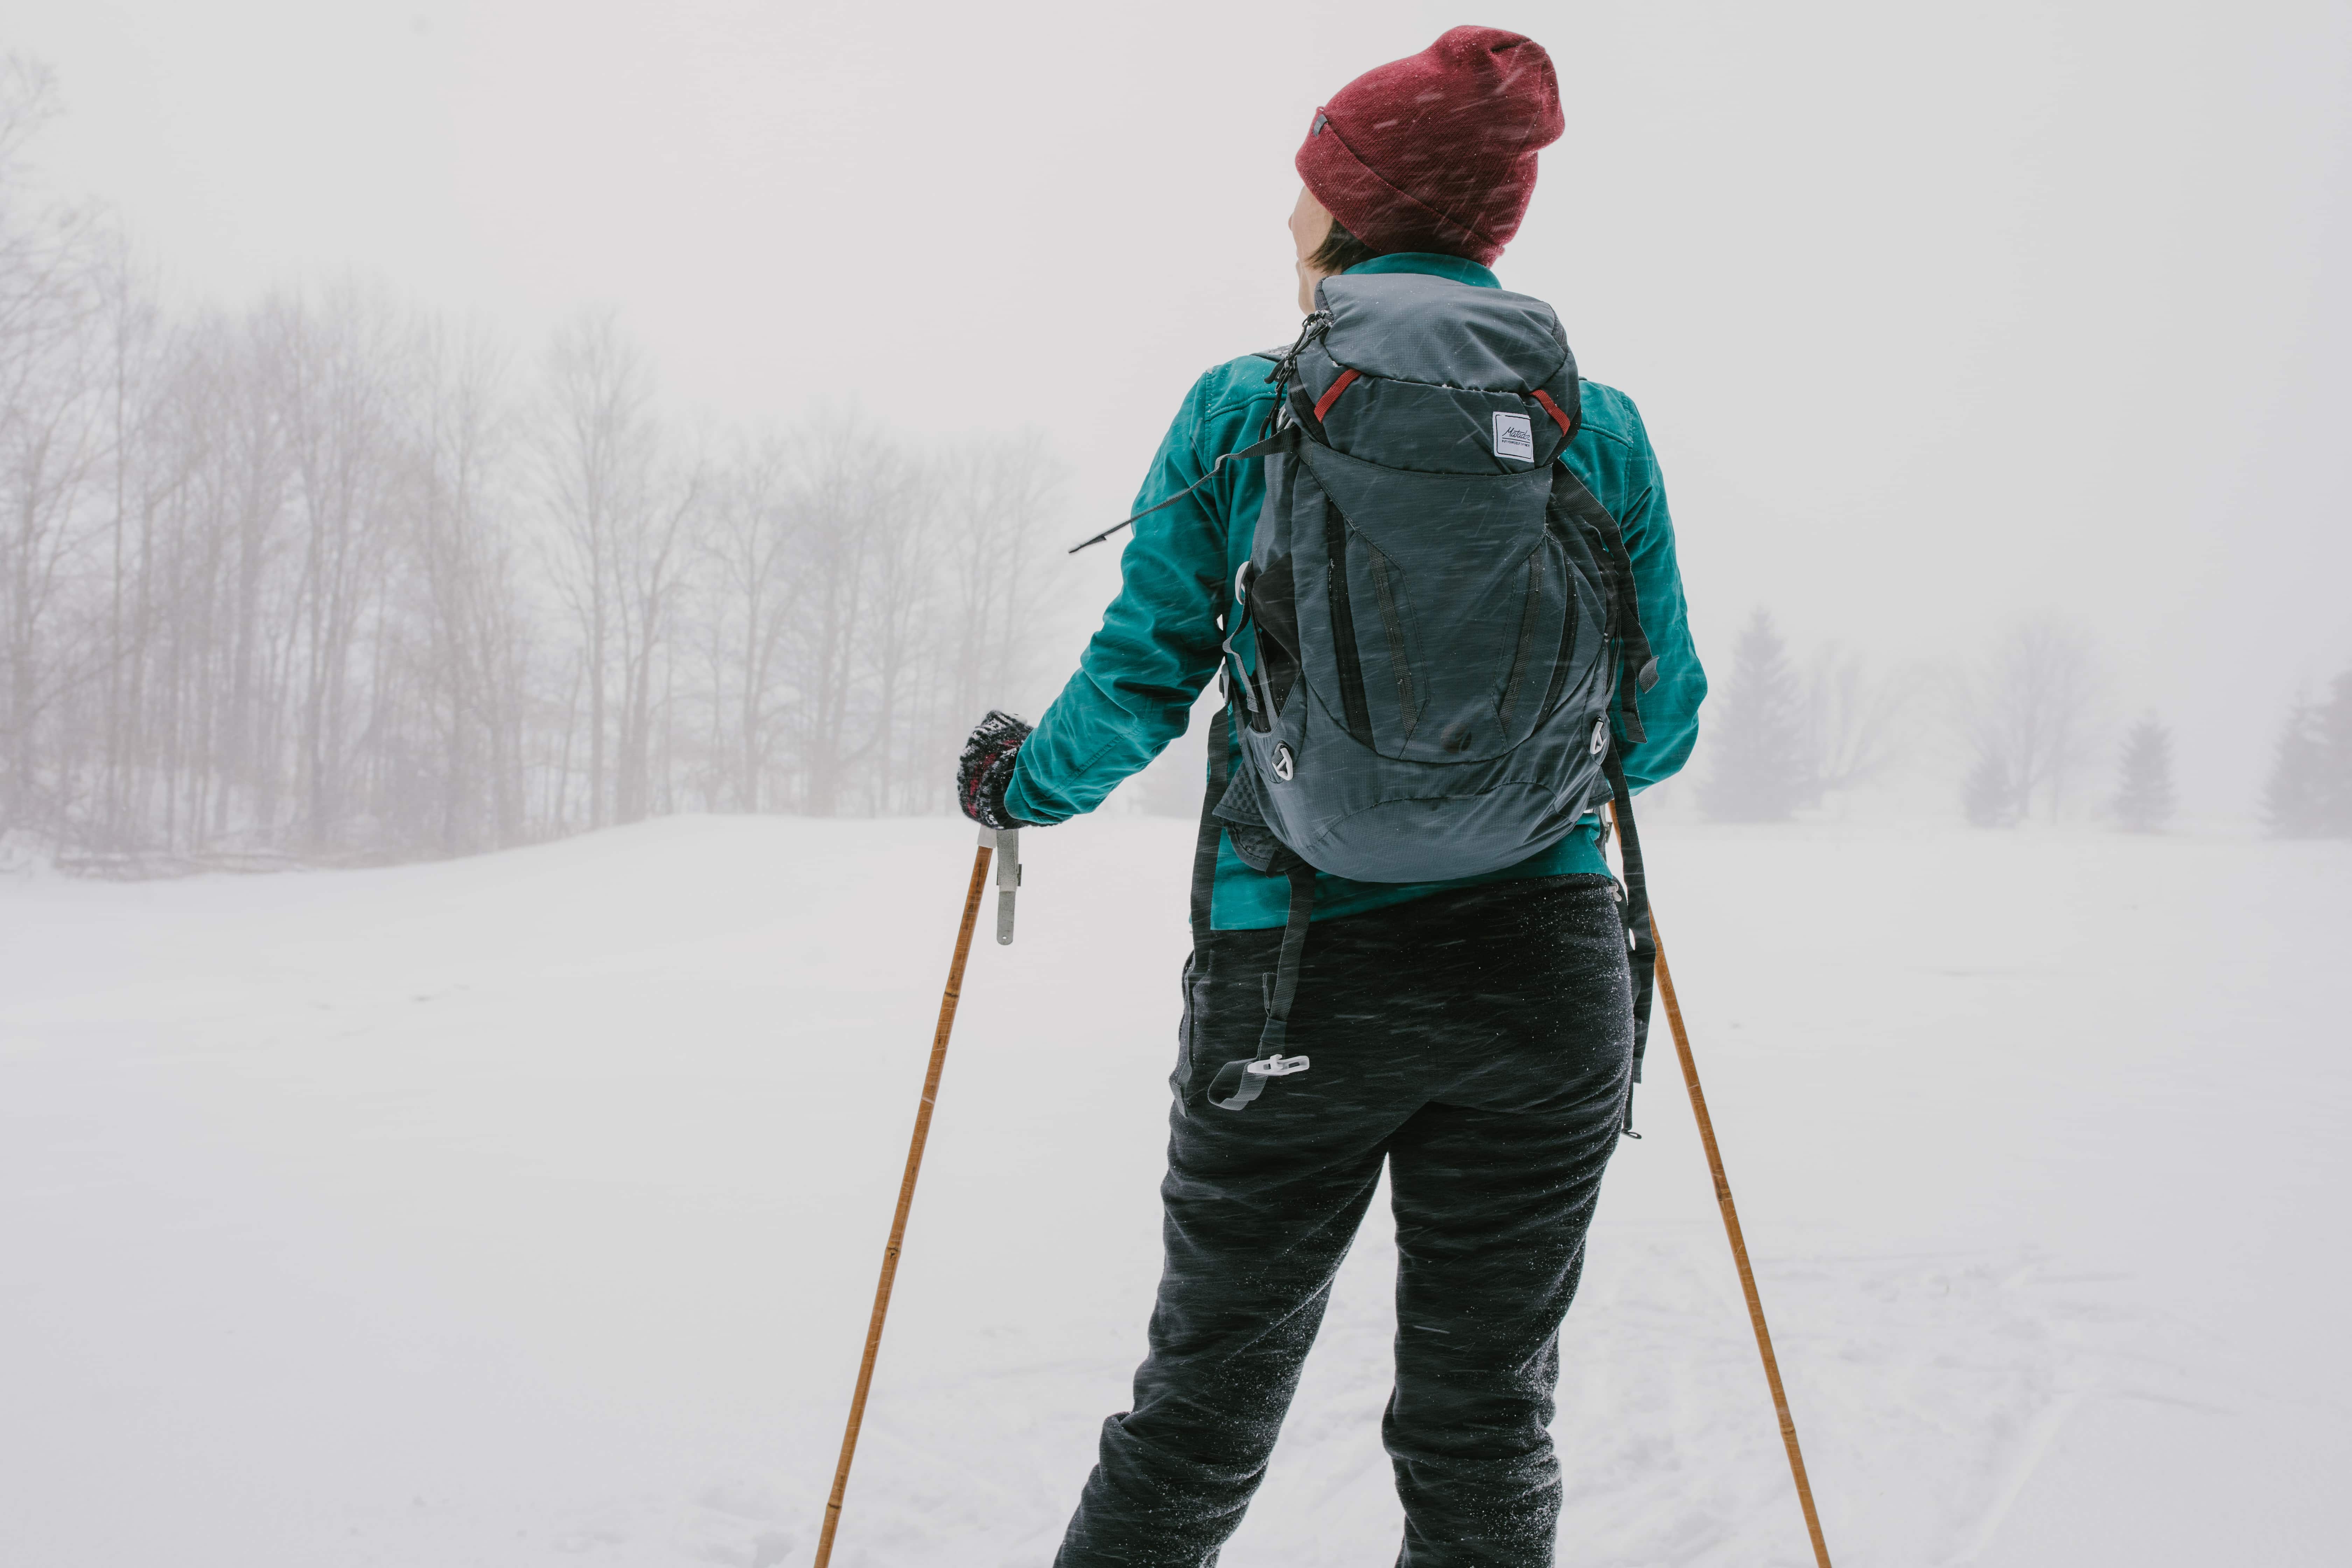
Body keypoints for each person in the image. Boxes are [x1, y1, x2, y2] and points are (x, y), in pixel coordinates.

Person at [955, 27, 1706, 1568]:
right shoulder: (1597, 424)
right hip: (1552, 980)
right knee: (1489, 1419)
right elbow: (1660, 730)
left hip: (1299, 969)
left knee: (1201, 1416)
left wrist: (1019, 782)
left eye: (1307, 190)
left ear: (1350, 210)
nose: (1289, 219)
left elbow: (1147, 671)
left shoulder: (1250, 403)